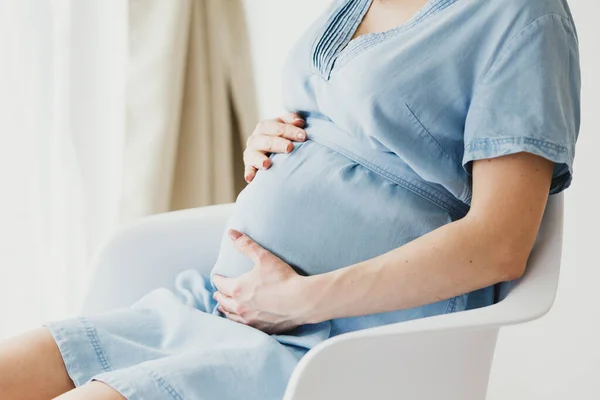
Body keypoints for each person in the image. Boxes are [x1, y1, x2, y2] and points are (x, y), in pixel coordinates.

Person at [0, 0, 580, 399]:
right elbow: (344, 121)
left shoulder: (521, 17)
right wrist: (273, 141)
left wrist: (303, 300)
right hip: (220, 306)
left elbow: (501, 243)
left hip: (338, 342)